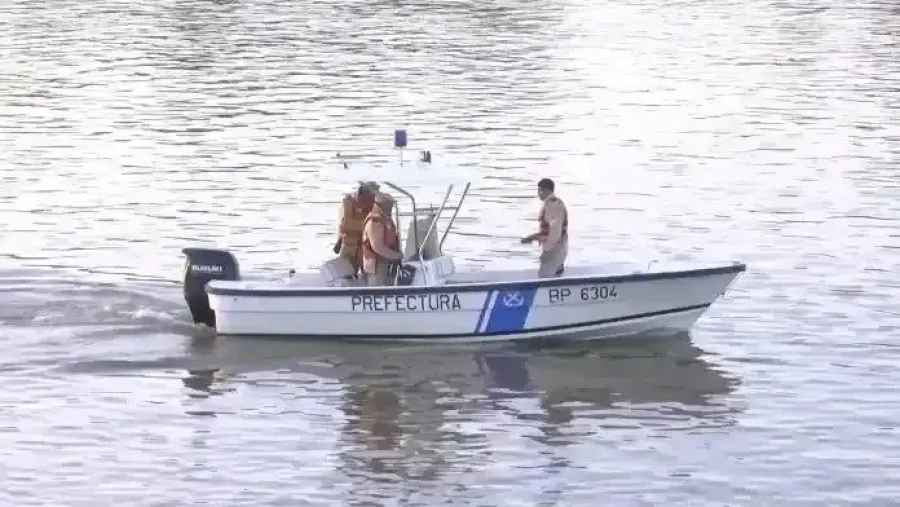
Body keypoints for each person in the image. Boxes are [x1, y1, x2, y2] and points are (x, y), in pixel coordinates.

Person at [520, 178, 568, 278]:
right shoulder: (552, 203)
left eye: (540, 190)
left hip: (554, 251)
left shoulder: (553, 205)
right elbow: (548, 230)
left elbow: (555, 231)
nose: (538, 193)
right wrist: (533, 237)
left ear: (546, 190)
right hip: (559, 249)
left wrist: (547, 251)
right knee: (554, 277)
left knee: (544, 278)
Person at [334, 182, 379, 278]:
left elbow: (343, 225)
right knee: (367, 277)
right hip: (361, 247)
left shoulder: (348, 202)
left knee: (347, 276)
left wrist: (338, 242)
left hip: (352, 244)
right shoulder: (375, 204)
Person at [360, 192, 404, 286]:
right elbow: (378, 247)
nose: (391, 208)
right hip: (376, 266)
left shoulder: (385, 218)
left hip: (386, 263)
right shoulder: (374, 221)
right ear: (382, 206)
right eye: (389, 205)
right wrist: (397, 256)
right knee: (378, 291)